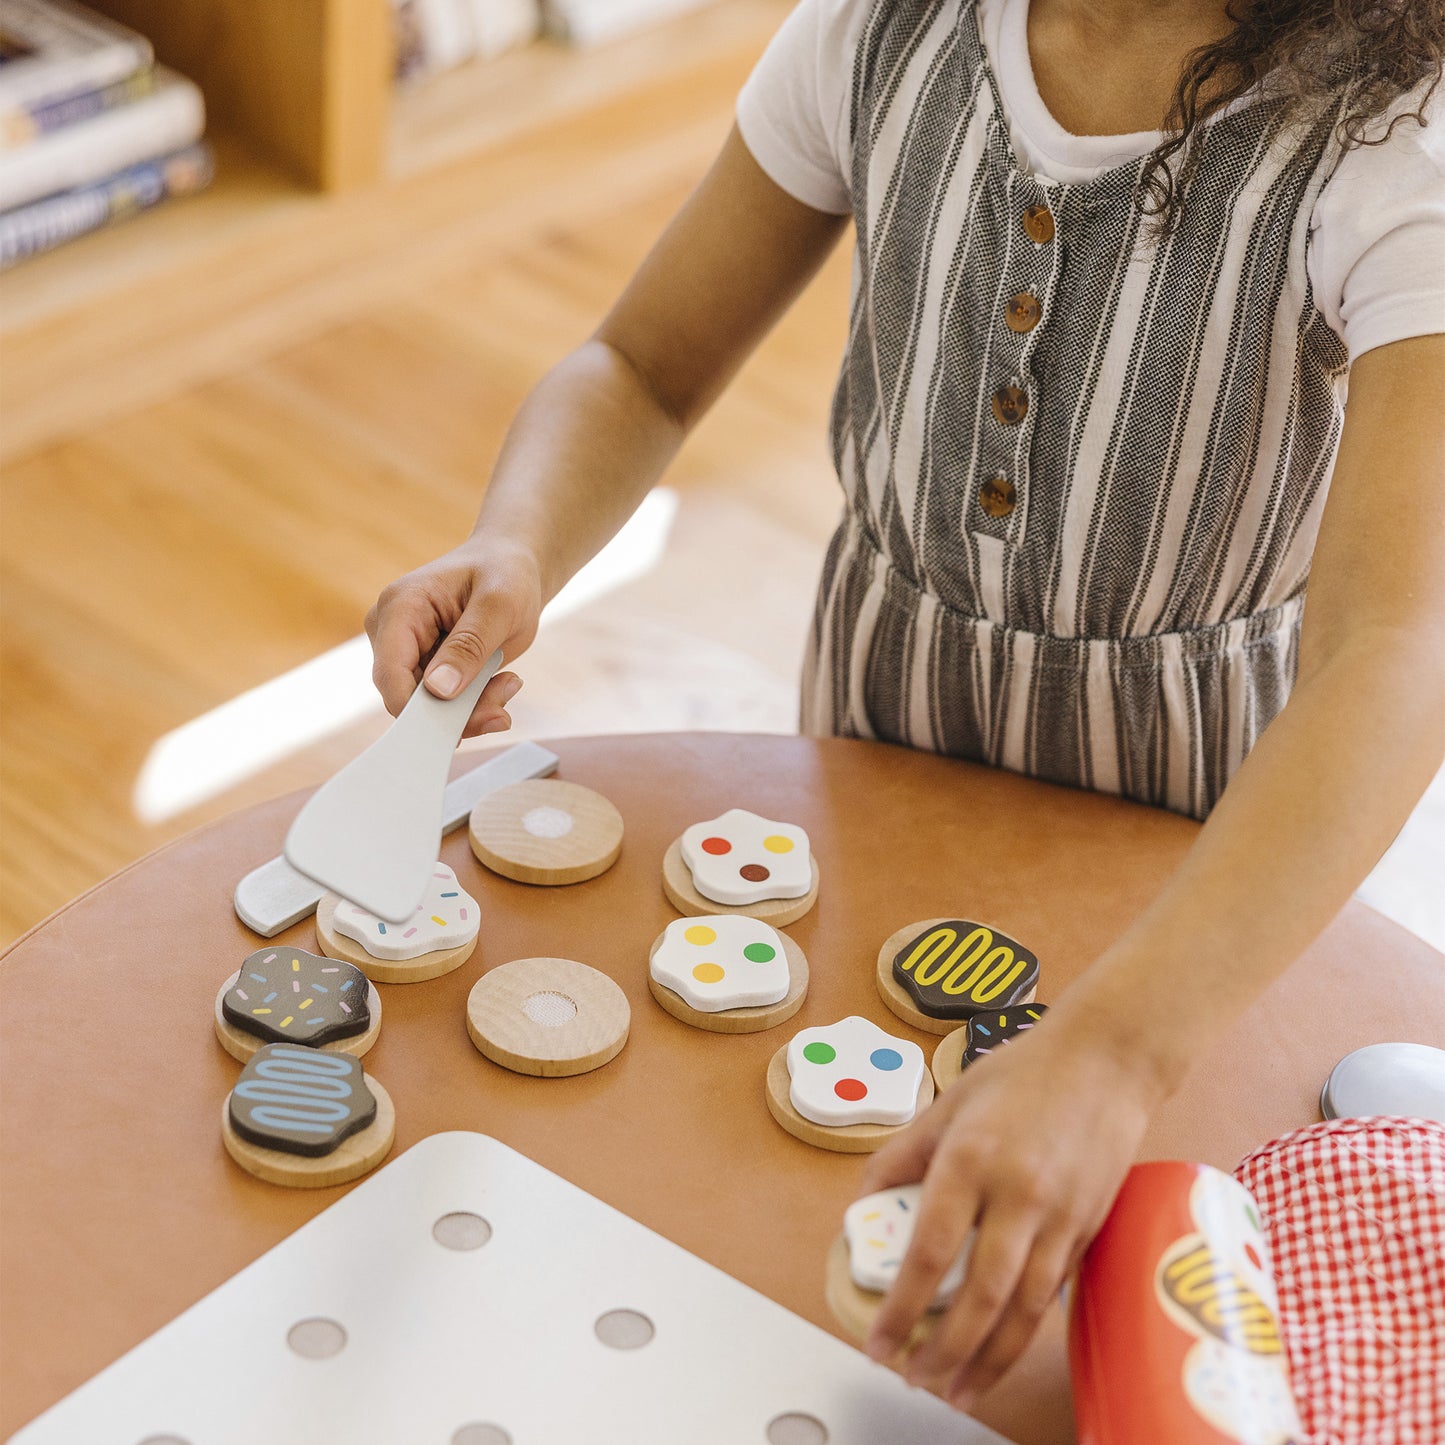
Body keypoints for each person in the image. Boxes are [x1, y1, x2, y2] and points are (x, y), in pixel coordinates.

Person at [366, 0, 1445, 1412]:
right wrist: (517, 538)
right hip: (871, 752)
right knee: (802, 1203)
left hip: (1187, 876)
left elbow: (1395, 649)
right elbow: (639, 365)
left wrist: (1116, 1049)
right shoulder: (884, 29)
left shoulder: (1394, 143)